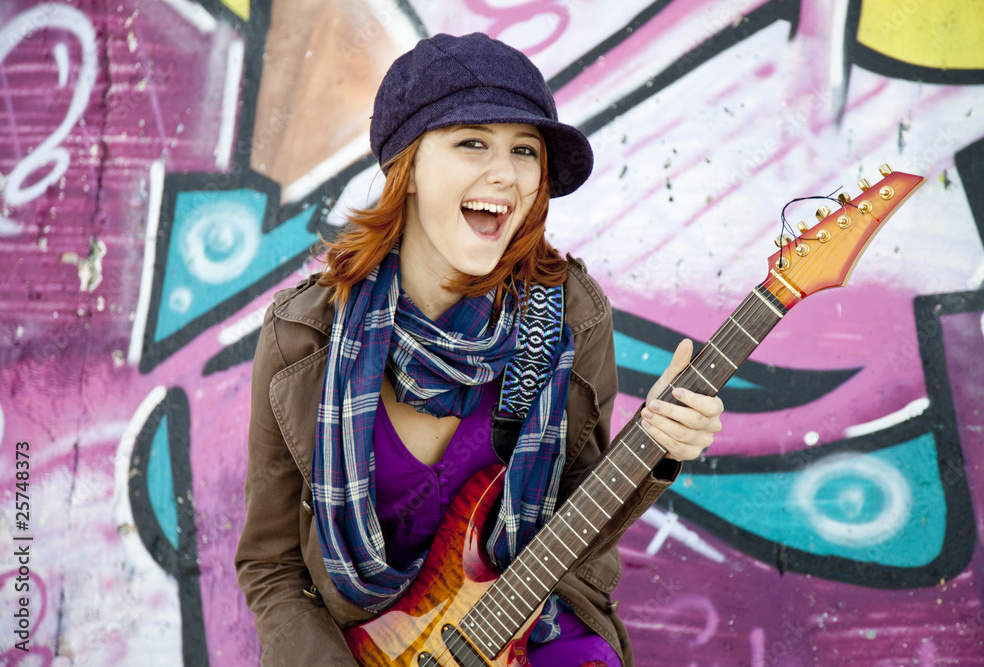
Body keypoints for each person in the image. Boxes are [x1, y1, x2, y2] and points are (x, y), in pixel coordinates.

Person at [235, 32, 723, 667]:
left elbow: (581, 525)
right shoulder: (305, 338)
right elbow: (271, 567)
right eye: (472, 142)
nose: (506, 173)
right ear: (406, 170)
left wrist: (660, 447)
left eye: (525, 150)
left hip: (535, 631)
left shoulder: (570, 316)